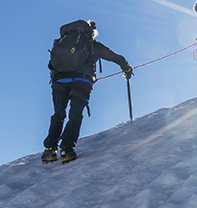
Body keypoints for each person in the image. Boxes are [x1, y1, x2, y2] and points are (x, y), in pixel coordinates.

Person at [42, 19, 133, 164]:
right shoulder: (92, 45)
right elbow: (114, 57)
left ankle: (49, 151)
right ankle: (66, 149)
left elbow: (51, 65)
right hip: (82, 81)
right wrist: (126, 67)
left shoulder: (62, 43)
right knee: (75, 114)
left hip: (59, 80)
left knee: (59, 113)